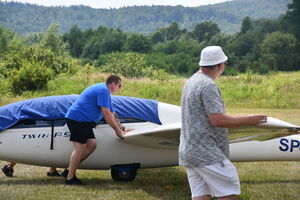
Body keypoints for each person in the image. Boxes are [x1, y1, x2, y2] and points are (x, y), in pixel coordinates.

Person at [179, 46, 267, 200]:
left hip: (189, 151)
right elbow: (218, 119)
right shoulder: (208, 85)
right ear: (220, 65)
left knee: (201, 196)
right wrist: (250, 120)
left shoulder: (191, 81)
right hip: (207, 153)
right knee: (229, 191)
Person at [64, 75, 128, 185]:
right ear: (113, 84)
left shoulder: (105, 92)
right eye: (120, 85)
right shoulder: (103, 90)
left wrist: (121, 128)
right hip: (78, 119)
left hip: (85, 122)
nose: (120, 88)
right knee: (80, 148)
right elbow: (106, 114)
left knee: (92, 145)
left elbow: (112, 113)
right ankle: (70, 178)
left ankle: (69, 170)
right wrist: (118, 132)